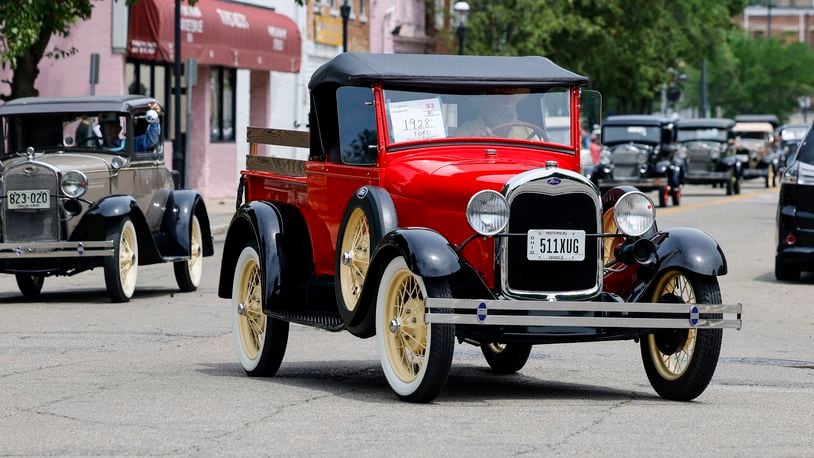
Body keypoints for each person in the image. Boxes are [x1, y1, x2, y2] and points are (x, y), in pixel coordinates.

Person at [455, 90, 545, 140]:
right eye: (501, 97)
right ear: (487, 103)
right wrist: (474, 144)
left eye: (511, 99)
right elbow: (455, 161)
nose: (508, 102)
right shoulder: (466, 131)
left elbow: (541, 159)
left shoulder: (527, 130)